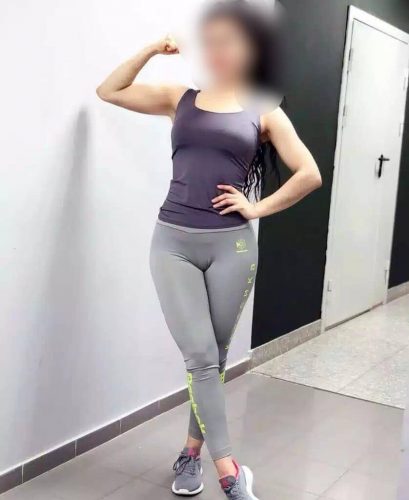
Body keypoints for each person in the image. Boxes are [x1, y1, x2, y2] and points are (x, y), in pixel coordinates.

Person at [96, 1, 321, 498]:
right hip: (172, 242)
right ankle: (231, 474)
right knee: (199, 354)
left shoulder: (264, 110)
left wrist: (256, 208)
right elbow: (109, 90)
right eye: (211, 41)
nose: (218, 50)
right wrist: (152, 49)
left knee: (212, 358)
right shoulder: (180, 98)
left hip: (232, 247)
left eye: (229, 41)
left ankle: (190, 454)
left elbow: (309, 173)